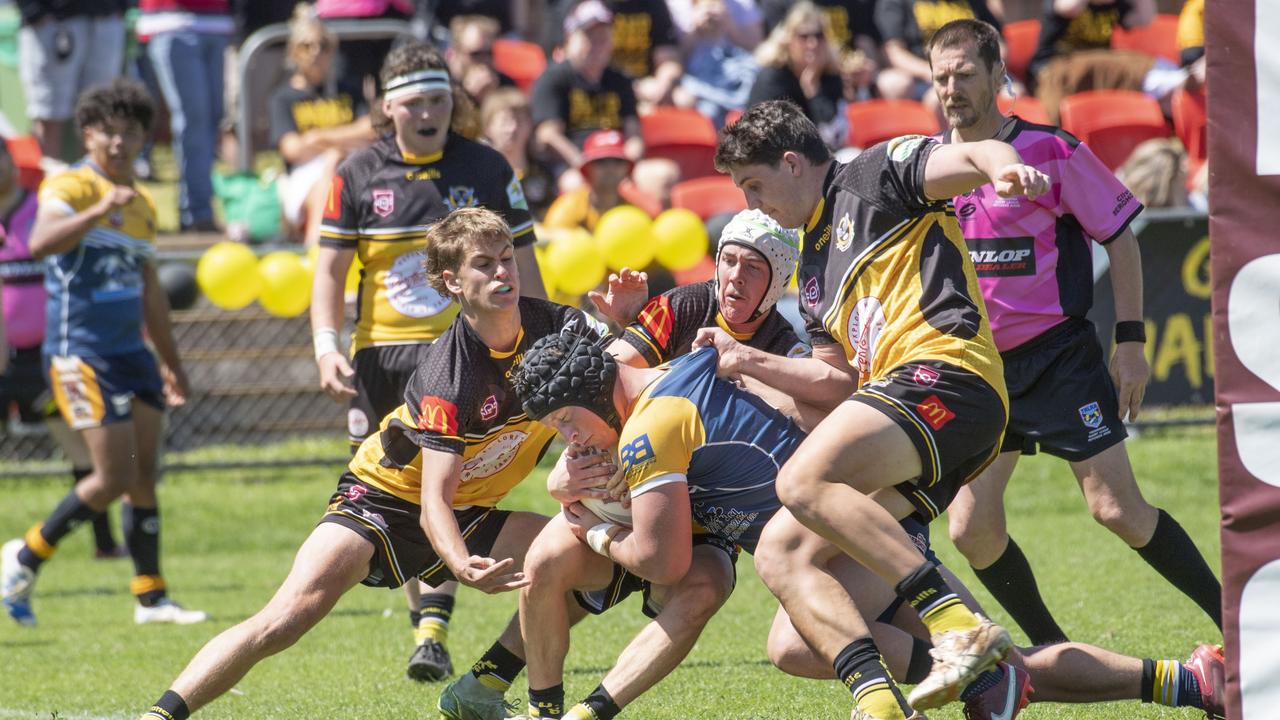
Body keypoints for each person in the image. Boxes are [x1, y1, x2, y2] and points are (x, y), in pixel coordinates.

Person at [510, 333, 1228, 720]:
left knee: (793, 641)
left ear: (596, 392)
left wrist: (590, 529)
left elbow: (661, 565)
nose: (574, 441)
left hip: (841, 545)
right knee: (994, 671)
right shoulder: (677, 379)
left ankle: (880, 703)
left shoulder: (648, 430)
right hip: (857, 531)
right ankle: (1188, 682)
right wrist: (560, 479)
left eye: (569, 423)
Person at [140, 208, 603, 720]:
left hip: (469, 508)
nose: (502, 272)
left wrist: (626, 320)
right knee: (287, 618)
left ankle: (480, 688)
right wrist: (459, 565)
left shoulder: (560, 325)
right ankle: (161, 715)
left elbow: (629, 363)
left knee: (590, 568)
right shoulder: (448, 372)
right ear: (451, 281)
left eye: (506, 259)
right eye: (483, 264)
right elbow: (432, 502)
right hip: (380, 499)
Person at [707, 99, 1051, 716]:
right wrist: (748, 366)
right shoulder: (811, 270)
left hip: (951, 378)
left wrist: (1004, 167)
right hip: (907, 416)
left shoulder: (873, 173)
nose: (752, 204)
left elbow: (971, 154)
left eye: (754, 185)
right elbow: (834, 383)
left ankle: (955, 626)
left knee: (802, 481)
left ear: (791, 163)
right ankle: (882, 704)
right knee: (781, 551)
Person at [926, 18, 1220, 644]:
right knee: (971, 529)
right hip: (980, 369)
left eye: (966, 74)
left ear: (999, 75)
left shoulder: (1052, 151)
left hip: (1058, 360)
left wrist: (1132, 342)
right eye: (941, 77)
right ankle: (1054, 655)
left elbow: (1122, 239)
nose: (952, 88)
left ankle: (1240, 626)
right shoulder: (927, 169)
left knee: (1116, 510)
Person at [311, 42, 546, 681]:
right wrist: (326, 345)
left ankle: (432, 630)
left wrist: (540, 341)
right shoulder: (357, 173)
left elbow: (523, 265)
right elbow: (329, 271)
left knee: (460, 490)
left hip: (467, 358)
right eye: (414, 100)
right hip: (380, 359)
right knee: (402, 490)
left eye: (439, 98)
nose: (428, 111)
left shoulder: (488, 166)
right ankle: (429, 626)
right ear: (387, 106)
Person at [1, 79, 202, 627]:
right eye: (107, 132)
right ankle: (22, 556)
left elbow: (150, 289)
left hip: (131, 354)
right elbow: (41, 243)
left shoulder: (141, 205)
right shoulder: (71, 185)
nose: (118, 143)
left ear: (143, 139)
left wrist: (172, 361)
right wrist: (98, 210)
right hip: (79, 353)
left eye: (130, 132)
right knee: (110, 476)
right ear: (87, 135)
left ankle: (152, 597)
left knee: (144, 473)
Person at [0, 137, 124, 561]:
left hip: (49, 357)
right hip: (2, 359)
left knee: (85, 451)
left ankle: (105, 544)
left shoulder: (41, 210)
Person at [268, 5, 376, 240]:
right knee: (331, 168)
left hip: (352, 166)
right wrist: (343, 142)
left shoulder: (349, 89)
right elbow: (293, 149)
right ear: (294, 52)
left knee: (339, 161)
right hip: (304, 177)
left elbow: (371, 130)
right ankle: (315, 248)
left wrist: (317, 138)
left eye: (324, 46)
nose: (316, 52)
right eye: (307, 46)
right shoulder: (283, 97)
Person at [138, 0, 234, 232]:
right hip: (171, 23)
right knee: (194, 120)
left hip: (216, 23)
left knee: (212, 121)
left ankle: (200, 209)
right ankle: (195, 212)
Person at [530, 0, 644, 180]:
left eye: (604, 36)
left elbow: (634, 135)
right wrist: (583, 165)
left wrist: (627, 165)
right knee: (574, 183)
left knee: (659, 175)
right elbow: (548, 135)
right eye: (590, 36)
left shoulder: (620, 80)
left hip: (617, 163)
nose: (598, 44)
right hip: (574, 165)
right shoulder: (553, 78)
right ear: (570, 38)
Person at [15, 0, 127, 161]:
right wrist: (33, 10)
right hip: (54, 20)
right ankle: (47, 183)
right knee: (49, 115)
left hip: (106, 16)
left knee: (99, 113)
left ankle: (90, 183)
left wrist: (123, 6)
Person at [746, 3, 848, 149]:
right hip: (779, 160)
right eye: (804, 36)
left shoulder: (830, 75)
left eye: (818, 36)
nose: (812, 44)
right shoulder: (773, 77)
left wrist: (813, 91)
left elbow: (835, 136)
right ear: (788, 40)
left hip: (822, 159)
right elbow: (761, 134)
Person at [874, 0, 1000, 106]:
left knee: (1013, 91)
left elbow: (1000, 44)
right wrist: (934, 73)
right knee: (937, 99)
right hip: (924, 79)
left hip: (975, 72)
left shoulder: (972, 2)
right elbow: (893, 52)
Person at [542, 129, 657, 232]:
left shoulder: (637, 210)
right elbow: (552, 243)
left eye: (617, 161)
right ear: (588, 168)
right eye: (601, 162)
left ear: (626, 168)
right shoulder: (568, 209)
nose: (610, 168)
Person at [481, 88, 557, 222]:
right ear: (488, 127)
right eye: (505, 121)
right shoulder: (480, 173)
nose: (513, 128)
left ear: (530, 126)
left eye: (520, 121)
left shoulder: (542, 171)